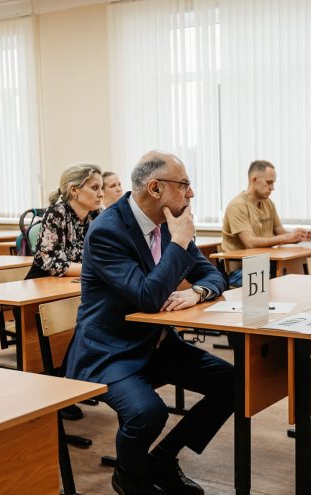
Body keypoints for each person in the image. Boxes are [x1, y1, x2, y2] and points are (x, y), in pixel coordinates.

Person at [66, 151, 230, 495]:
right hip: (109, 352)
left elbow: (214, 275)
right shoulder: (107, 231)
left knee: (233, 382)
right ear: (155, 188)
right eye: (184, 185)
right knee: (147, 412)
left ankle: (161, 459)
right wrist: (182, 241)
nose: (191, 194)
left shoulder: (168, 226)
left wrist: (197, 292)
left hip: (155, 345)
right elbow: (147, 296)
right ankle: (128, 475)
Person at [221, 160, 311, 286]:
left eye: (273, 183)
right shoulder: (237, 206)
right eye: (269, 182)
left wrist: (298, 236)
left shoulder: (268, 204)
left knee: (300, 279)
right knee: (285, 284)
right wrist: (286, 237)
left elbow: (281, 233)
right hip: (242, 271)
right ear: (254, 180)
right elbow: (250, 242)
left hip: (267, 265)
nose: (272, 187)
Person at [25, 164, 104, 279]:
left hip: (80, 282)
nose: (101, 194)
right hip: (45, 284)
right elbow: (53, 263)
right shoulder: (57, 213)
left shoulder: (97, 214)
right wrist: (98, 270)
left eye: (101, 188)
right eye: (95, 188)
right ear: (74, 190)